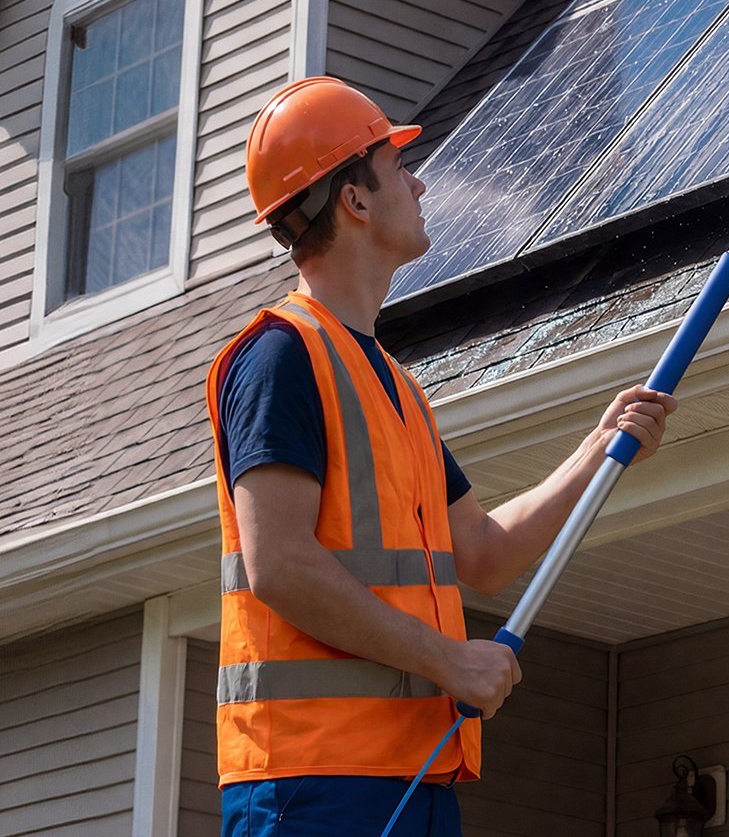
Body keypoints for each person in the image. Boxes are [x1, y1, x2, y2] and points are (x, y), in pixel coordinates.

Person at [207, 76, 676, 837]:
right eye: (398, 169)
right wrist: (448, 660)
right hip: (311, 784)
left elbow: (483, 555)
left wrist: (600, 449)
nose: (420, 183)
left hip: (411, 777)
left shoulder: (395, 387)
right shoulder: (279, 357)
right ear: (355, 201)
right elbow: (280, 564)